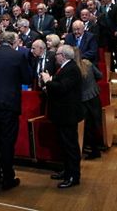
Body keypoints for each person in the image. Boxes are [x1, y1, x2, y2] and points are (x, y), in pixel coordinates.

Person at [0, 31, 32, 190]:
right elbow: (27, 79)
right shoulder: (17, 57)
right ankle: (8, 178)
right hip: (8, 106)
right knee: (7, 143)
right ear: (14, 42)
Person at [40, 44, 83, 188]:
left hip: (68, 115)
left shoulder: (72, 69)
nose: (55, 56)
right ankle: (67, 171)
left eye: (57, 54)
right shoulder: (65, 67)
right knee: (64, 145)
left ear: (63, 56)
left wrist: (48, 81)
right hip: (62, 114)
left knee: (70, 146)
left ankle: (73, 176)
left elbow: (62, 88)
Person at [74, 47, 103, 159]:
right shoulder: (88, 63)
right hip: (95, 97)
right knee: (95, 124)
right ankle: (95, 148)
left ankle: (93, 150)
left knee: (88, 127)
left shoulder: (74, 69)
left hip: (83, 100)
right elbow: (100, 75)